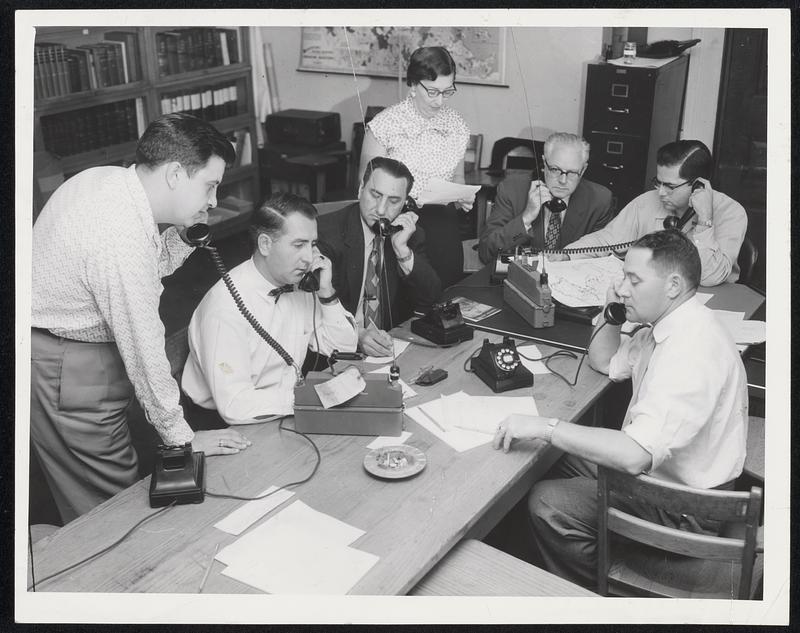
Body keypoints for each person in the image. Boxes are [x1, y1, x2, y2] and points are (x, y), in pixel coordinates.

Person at [493, 229, 748, 589]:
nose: (623, 288)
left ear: (673, 285)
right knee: (545, 456)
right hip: (665, 475)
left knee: (547, 501)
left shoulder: (691, 351)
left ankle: (594, 590)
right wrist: (612, 314)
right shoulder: (665, 326)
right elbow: (603, 360)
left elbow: (633, 456)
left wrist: (546, 426)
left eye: (634, 280)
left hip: (685, 507)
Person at [30, 113, 251, 524]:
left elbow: (148, 264)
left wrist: (186, 234)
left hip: (76, 353)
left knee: (122, 473)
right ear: (174, 174)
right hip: (68, 368)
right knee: (112, 507)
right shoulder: (118, 234)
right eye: (210, 185)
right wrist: (183, 439)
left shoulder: (109, 182)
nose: (215, 201)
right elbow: (145, 347)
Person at [181, 193, 359, 426]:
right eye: (298, 245)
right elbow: (235, 404)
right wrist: (308, 397)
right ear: (265, 244)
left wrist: (326, 292)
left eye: (312, 244)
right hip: (227, 424)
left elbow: (344, 348)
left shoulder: (298, 282)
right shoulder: (224, 307)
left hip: (282, 408)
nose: (309, 258)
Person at [360, 46, 473, 290]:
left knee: (444, 297)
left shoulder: (457, 126)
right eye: (432, 92)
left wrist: (463, 197)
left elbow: (459, 178)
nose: (439, 101)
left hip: (443, 227)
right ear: (413, 85)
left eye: (447, 92)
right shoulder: (384, 126)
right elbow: (364, 191)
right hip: (396, 226)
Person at [563, 140, 747, 286]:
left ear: (698, 185)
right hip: (656, 294)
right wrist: (566, 254)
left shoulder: (732, 213)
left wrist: (704, 220)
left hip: (709, 301)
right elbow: (606, 240)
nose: (660, 192)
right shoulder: (646, 202)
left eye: (670, 186)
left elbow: (709, 277)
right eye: (658, 182)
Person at [317, 157, 442, 358]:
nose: (382, 210)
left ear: (405, 204)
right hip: (336, 353)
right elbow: (315, 311)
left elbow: (431, 296)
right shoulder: (326, 234)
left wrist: (402, 250)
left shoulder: (409, 234)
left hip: (388, 348)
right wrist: (356, 335)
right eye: (375, 195)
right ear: (360, 190)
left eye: (394, 201)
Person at [478, 132, 614, 264]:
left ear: (583, 170)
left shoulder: (599, 200)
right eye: (555, 169)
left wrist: (568, 257)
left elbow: (603, 258)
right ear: (544, 164)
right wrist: (525, 219)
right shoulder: (512, 190)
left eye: (572, 173)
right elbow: (486, 252)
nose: (562, 180)